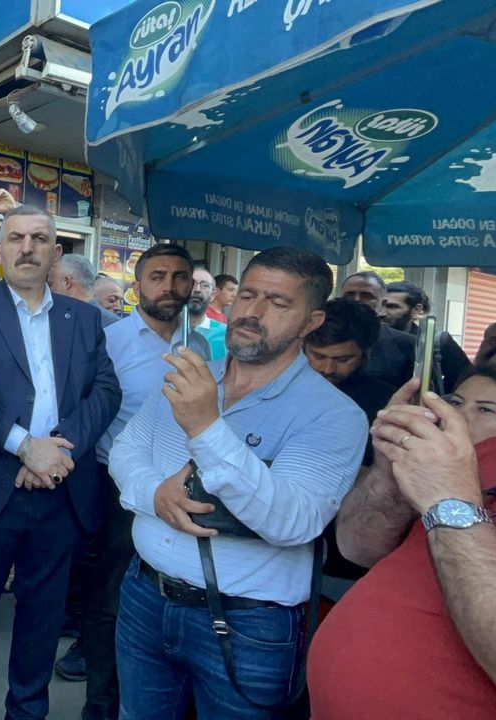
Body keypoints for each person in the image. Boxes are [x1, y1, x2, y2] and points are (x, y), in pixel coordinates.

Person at [110, 247, 366, 719]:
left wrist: (207, 427)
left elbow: (292, 521)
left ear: (311, 322)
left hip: (249, 621)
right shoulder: (192, 375)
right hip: (146, 593)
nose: (253, 311)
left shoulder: (333, 415)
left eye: (277, 302)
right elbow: (127, 450)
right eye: (247, 295)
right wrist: (155, 495)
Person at [0, 205, 121, 720]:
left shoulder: (84, 317)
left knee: (42, 622)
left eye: (39, 238)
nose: (27, 247)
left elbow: (106, 392)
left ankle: (27, 712)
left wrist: (56, 449)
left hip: (60, 493)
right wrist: (24, 446)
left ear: (56, 252)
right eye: (15, 238)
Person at [312, 366, 496, 718]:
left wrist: (450, 500)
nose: (457, 417)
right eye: (454, 402)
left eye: (486, 410)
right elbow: (357, 549)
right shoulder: (433, 475)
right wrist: (387, 472)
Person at [66, 243, 209, 719]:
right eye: (157, 276)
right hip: (117, 491)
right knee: (111, 600)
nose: (170, 286)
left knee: (166, 597)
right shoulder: (111, 340)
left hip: (185, 488)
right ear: (137, 285)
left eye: (180, 276)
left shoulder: (201, 344)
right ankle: (101, 705)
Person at [302, 298, 398, 587]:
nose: (327, 368)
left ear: (366, 353)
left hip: (349, 552)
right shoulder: (282, 388)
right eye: (317, 355)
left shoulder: (385, 402)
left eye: (343, 359)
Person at [383, 280, 470, 393]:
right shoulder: (368, 341)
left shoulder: (436, 342)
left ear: (416, 310)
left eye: (392, 307)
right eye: (381, 305)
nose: (382, 312)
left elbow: (466, 381)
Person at [339, 271, 415, 390]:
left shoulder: (406, 344)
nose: (357, 299)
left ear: (382, 304)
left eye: (366, 296)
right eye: (349, 294)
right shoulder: (319, 337)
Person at [50, 253, 121, 328]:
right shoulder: (114, 324)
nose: (48, 291)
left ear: (67, 282)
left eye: (50, 284)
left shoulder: (112, 326)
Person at [190, 267, 228, 360]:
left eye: (205, 285)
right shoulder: (165, 331)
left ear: (213, 295)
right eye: (191, 284)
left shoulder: (227, 334)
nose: (197, 289)